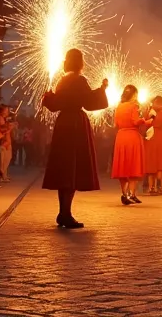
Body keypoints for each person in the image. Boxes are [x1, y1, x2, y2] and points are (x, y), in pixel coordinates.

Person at [42, 49, 109, 228]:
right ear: (80, 63)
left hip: (62, 124)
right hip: (76, 125)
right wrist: (102, 89)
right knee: (72, 170)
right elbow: (89, 103)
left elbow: (55, 104)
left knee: (65, 169)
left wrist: (48, 96)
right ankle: (66, 214)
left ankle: (63, 212)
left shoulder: (62, 80)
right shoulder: (79, 80)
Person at [111, 86, 149, 205]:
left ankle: (124, 193)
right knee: (133, 165)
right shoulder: (134, 106)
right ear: (134, 95)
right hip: (132, 136)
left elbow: (116, 124)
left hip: (121, 137)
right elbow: (135, 121)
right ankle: (132, 193)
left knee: (123, 166)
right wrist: (144, 120)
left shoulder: (119, 106)